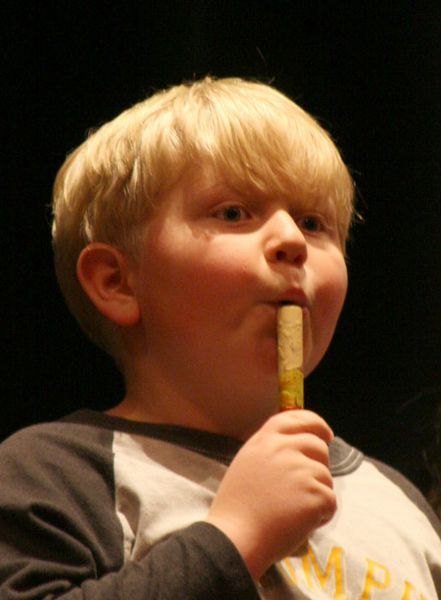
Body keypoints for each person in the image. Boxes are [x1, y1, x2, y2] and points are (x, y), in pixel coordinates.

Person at [0, 77, 440, 599]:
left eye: (315, 223)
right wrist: (233, 538)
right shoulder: (51, 474)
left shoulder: (398, 502)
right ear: (117, 282)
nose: (292, 241)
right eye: (233, 213)